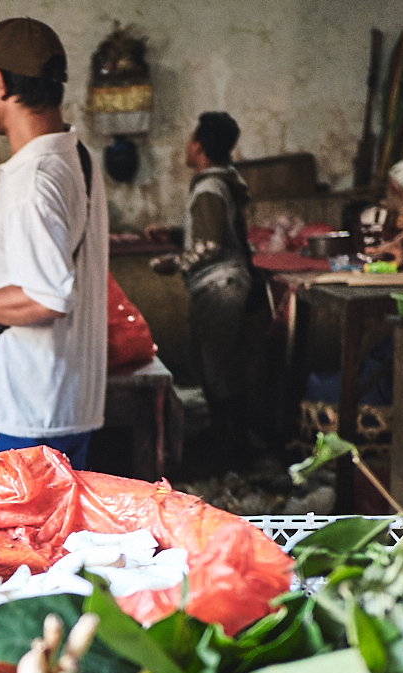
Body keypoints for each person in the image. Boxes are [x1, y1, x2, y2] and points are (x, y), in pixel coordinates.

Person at [0, 18, 107, 471]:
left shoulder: (33, 178)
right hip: (69, 401)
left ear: (1, 82)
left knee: (7, 540)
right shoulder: (76, 158)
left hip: (23, 409)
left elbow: (47, 296)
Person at [146, 112, 255, 456]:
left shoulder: (208, 186)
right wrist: (177, 234)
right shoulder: (224, 181)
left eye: (191, 139)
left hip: (221, 287)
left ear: (200, 147)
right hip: (227, 284)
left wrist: (171, 263)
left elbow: (210, 245)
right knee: (214, 363)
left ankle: (231, 444)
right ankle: (227, 437)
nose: (187, 145)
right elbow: (211, 231)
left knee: (217, 367)